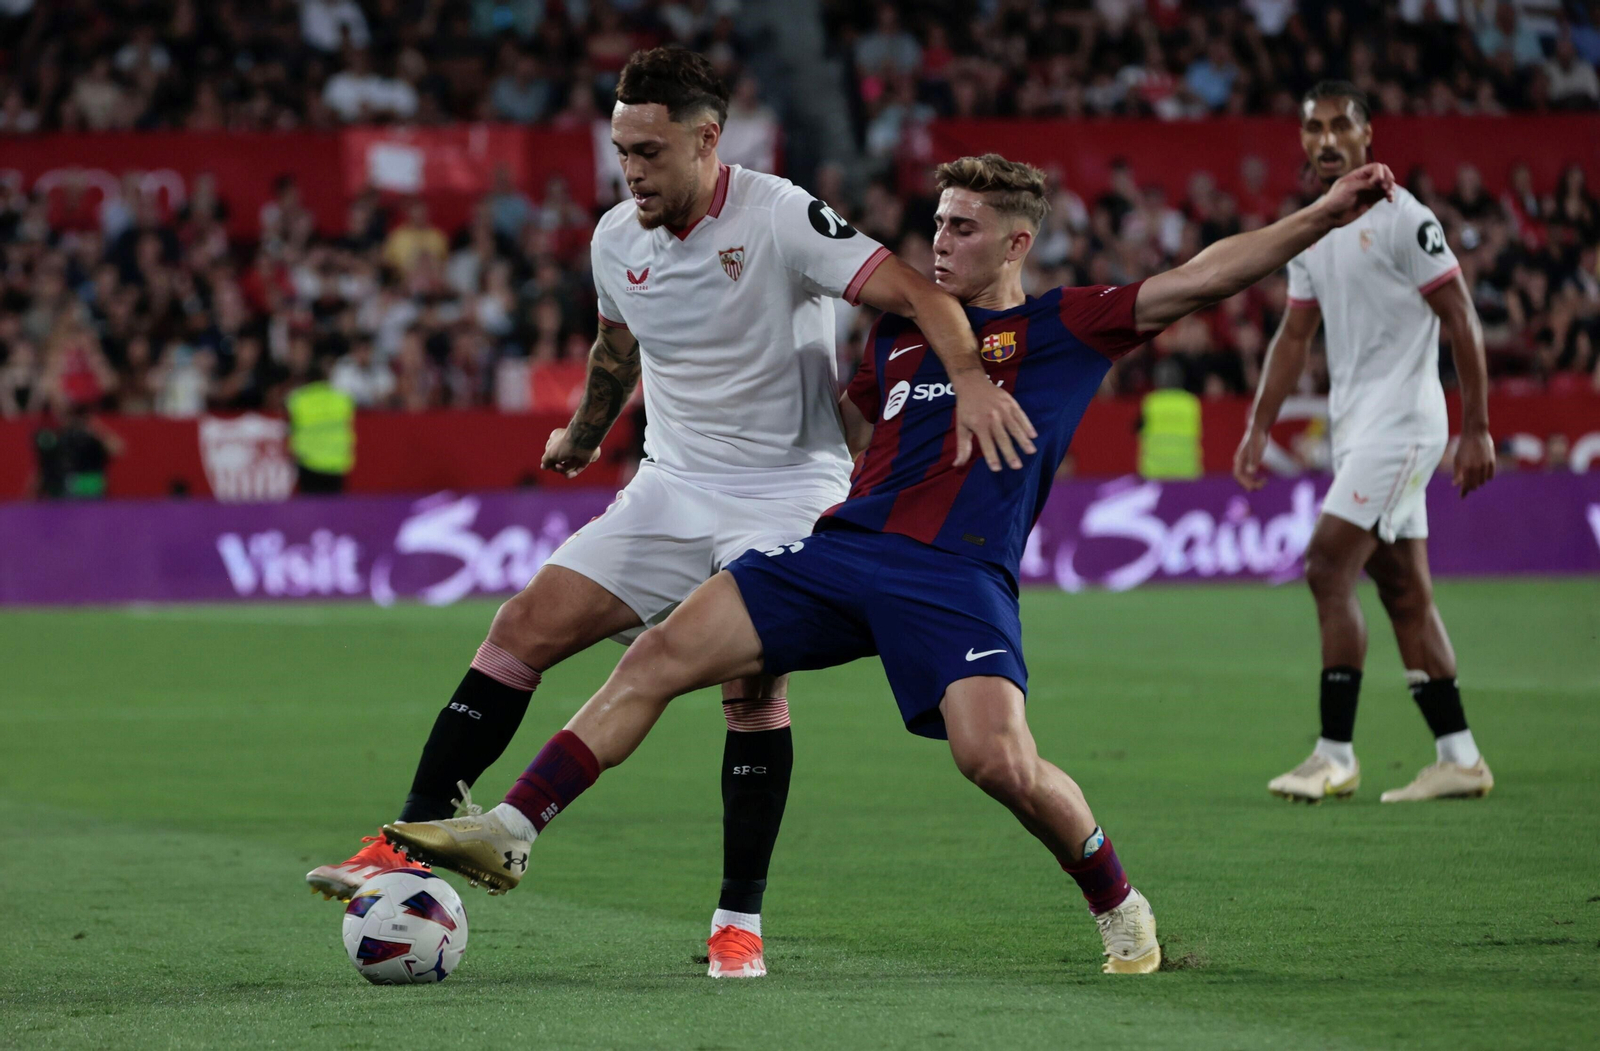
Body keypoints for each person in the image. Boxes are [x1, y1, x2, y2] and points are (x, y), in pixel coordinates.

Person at [381, 152, 1400, 975]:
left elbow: (1210, 272)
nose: (940, 241)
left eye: (963, 227)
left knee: (994, 761)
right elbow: (850, 426)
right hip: (842, 549)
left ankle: (1117, 900)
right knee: (659, 653)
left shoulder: (1065, 328)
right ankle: (514, 823)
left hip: (954, 576)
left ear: (1016, 241)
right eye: (937, 223)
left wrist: (1323, 210)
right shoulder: (895, 346)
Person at [308, 48, 1036, 981]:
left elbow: (920, 293)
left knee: (752, 691)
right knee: (521, 625)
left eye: (650, 152)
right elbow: (619, 347)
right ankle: (406, 841)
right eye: (621, 151)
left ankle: (738, 922)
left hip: (787, 490)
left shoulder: (781, 216)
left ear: (707, 139)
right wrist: (583, 429)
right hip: (670, 485)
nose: (633, 171)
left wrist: (970, 380)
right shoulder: (616, 237)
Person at [1233, 82, 1497, 804]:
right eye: (1312, 127)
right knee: (1405, 591)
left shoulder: (1406, 220)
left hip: (1405, 425)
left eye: (1339, 126)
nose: (1325, 139)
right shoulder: (1314, 230)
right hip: (1359, 431)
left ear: (1367, 134)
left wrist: (1476, 426)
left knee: (1325, 565)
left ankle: (1335, 753)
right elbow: (1294, 334)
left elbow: (1462, 316)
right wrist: (1259, 424)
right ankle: (1460, 756)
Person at [286, 359, 356, 495]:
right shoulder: (342, 399)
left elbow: (290, 427)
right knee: (334, 512)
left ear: (307, 379)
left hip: (308, 463)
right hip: (336, 463)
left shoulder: (297, 400)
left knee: (311, 511)